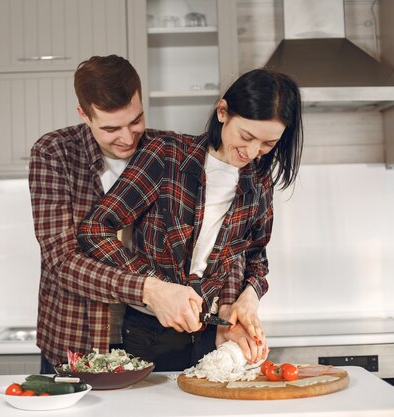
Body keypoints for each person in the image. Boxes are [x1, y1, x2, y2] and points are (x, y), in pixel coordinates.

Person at [28, 55, 259, 373]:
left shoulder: (170, 151)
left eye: (135, 121)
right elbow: (62, 260)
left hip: (162, 342)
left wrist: (229, 305)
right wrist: (151, 290)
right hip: (78, 339)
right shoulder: (55, 153)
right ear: (84, 114)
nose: (127, 137)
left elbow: (221, 238)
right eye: (111, 128)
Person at [77, 68, 303, 371]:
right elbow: (95, 229)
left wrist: (247, 298)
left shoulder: (259, 179)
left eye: (268, 144)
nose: (252, 152)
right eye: (246, 136)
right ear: (223, 112)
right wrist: (154, 287)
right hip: (151, 332)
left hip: (217, 332)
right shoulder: (167, 155)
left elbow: (252, 253)